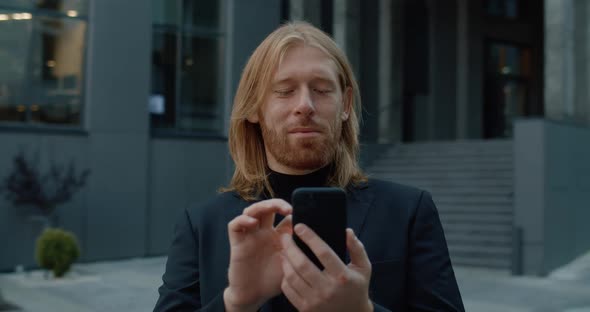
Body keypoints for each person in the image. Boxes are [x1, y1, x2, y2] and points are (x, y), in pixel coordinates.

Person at [154, 21, 464, 312]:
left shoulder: (408, 212)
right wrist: (236, 303)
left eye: (321, 89)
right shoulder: (201, 225)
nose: (305, 105)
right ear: (253, 109)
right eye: (285, 90)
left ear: (345, 104)